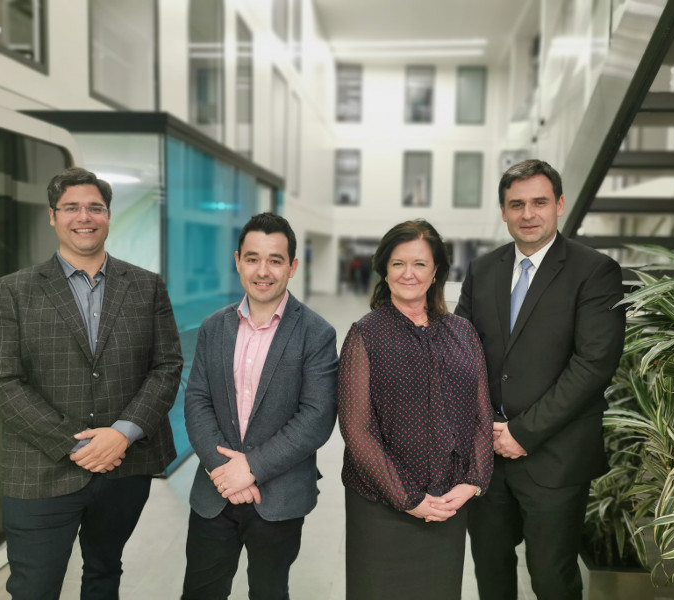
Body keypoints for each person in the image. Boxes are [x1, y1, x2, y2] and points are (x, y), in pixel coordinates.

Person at [0, 166, 183, 599]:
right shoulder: (14, 291)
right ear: (52, 216)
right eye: (71, 207)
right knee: (33, 588)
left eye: (95, 207)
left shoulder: (146, 287)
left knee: (104, 573)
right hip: (40, 468)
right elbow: (2, 382)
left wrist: (121, 434)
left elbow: (167, 366)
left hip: (124, 467)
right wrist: (78, 444)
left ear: (109, 216)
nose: (84, 217)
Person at [456, 159, 626, 599]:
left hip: (555, 457)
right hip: (487, 458)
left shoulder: (595, 271)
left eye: (539, 202)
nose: (528, 214)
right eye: (516, 204)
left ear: (560, 205)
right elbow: (461, 351)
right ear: (503, 211)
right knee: (491, 575)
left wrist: (523, 432)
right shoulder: (483, 269)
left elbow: (593, 365)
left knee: (552, 579)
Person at [181, 212, 338, 600]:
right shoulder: (213, 327)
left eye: (275, 260)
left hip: (279, 494)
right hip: (213, 493)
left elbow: (316, 417)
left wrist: (249, 469)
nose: (262, 271)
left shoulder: (316, 333)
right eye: (252, 258)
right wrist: (225, 472)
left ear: (292, 266)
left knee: (269, 592)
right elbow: (197, 398)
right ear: (238, 262)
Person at [339, 219, 494, 600]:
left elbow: (482, 414)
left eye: (420, 264)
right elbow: (356, 429)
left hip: (448, 505)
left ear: (436, 270)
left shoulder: (462, 331)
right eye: (398, 263)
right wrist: (408, 499)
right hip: (381, 508)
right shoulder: (365, 334)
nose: (409, 273)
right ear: (385, 270)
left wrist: (473, 482)